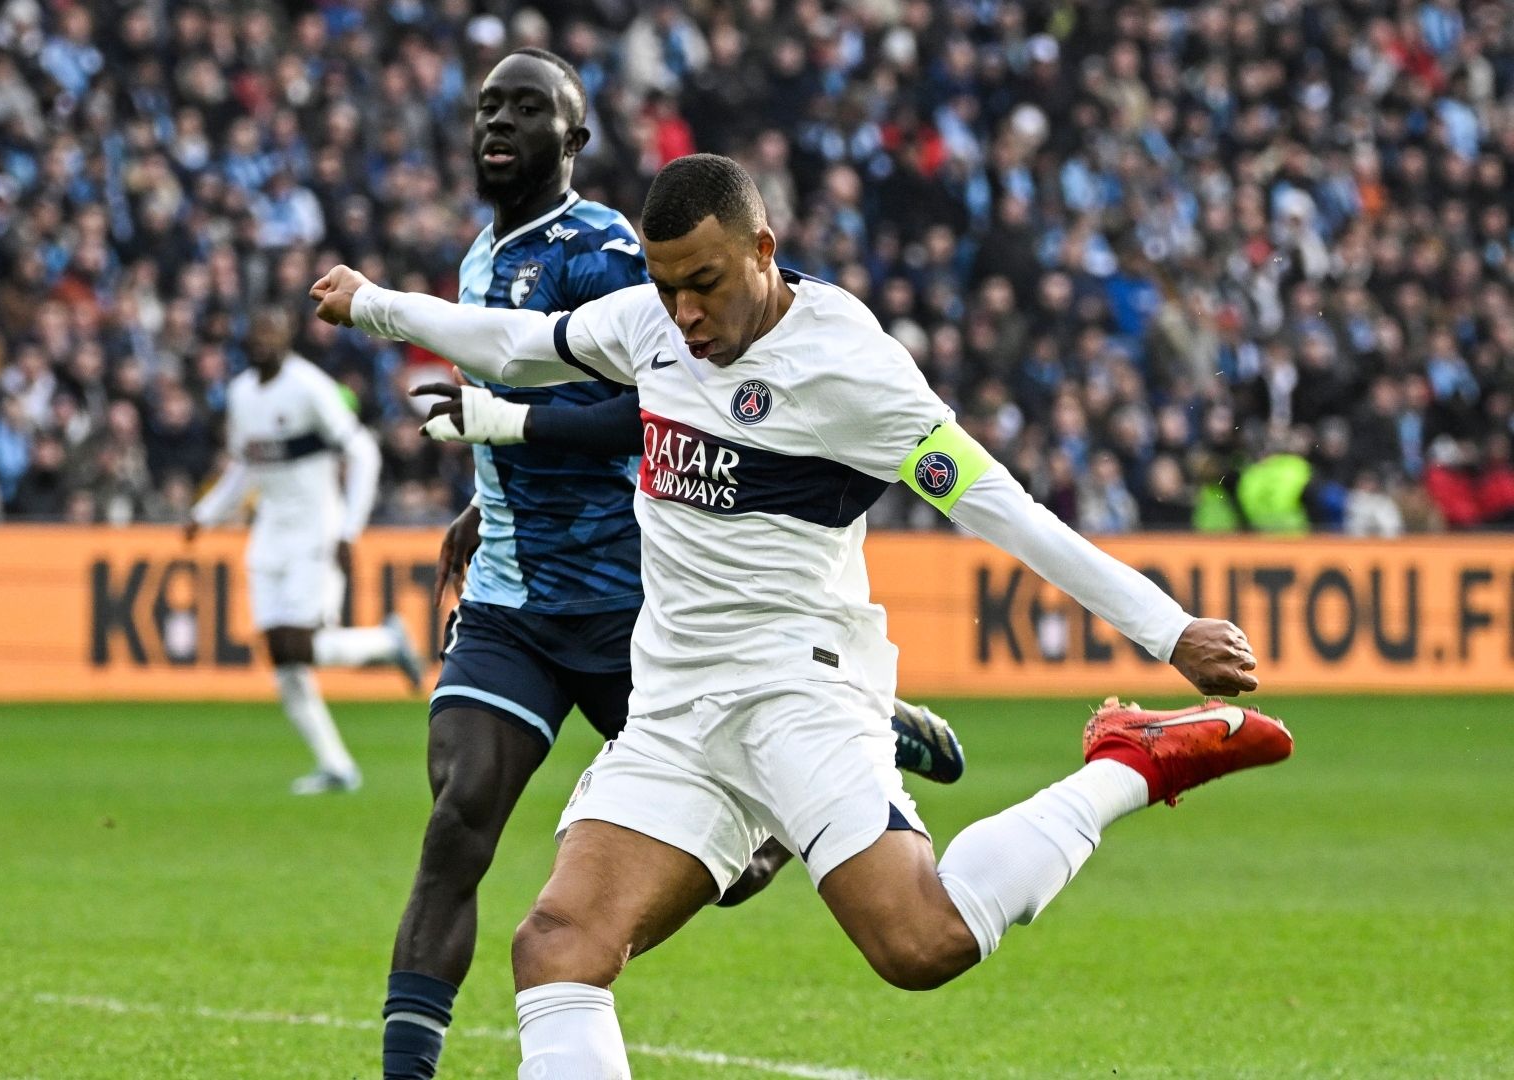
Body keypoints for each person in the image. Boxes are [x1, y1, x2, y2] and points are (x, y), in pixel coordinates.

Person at [313, 153, 1291, 1078]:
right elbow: (526, 348)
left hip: (798, 691)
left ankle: (1127, 761)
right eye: (665, 287)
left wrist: (1168, 630)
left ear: (764, 252)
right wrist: (377, 309)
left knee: (921, 944)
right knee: (558, 945)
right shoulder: (652, 326)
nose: (686, 313)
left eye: (706, 283)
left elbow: (1005, 511)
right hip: (673, 712)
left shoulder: (851, 369)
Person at [377, 52, 963, 1080]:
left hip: (631, 603)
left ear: (577, 138)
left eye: (527, 108)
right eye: (486, 108)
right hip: (514, 602)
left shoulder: (611, 249)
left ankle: (855, 726)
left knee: (724, 874)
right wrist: (486, 494)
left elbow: (646, 407)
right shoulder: (479, 257)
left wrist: (508, 432)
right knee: (457, 817)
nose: (498, 125)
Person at [185, 305, 424, 796]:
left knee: (298, 643)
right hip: (270, 533)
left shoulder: (310, 387)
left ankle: (386, 641)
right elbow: (243, 468)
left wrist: (348, 531)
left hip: (316, 530)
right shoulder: (241, 394)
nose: (262, 340)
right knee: (282, 657)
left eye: (271, 330)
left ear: (287, 336)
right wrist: (204, 514)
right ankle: (336, 766)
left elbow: (363, 452)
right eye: (255, 331)